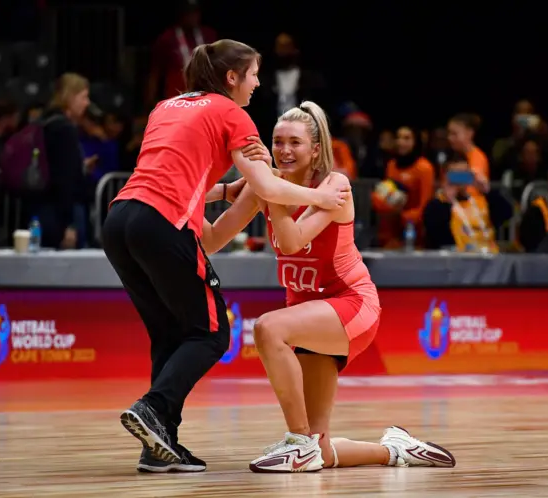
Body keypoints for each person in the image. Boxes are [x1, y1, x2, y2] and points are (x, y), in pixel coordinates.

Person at [101, 40, 350, 473]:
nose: (257, 83)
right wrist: (320, 195)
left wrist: (224, 192)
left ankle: (160, 447)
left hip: (120, 220)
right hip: (161, 221)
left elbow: (180, 193)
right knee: (212, 334)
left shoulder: (167, 106)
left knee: (172, 334)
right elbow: (269, 188)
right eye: (253, 74)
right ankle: (153, 408)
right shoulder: (232, 112)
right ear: (232, 77)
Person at [200, 101, 456, 473]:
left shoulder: (335, 186)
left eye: (295, 143)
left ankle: (296, 442)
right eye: (277, 142)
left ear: (316, 149)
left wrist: (264, 184)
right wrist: (189, 197)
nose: (284, 151)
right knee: (323, 449)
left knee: (268, 328)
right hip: (309, 316)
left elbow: (290, 241)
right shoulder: (266, 188)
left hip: (351, 306)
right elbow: (211, 240)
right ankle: (395, 450)